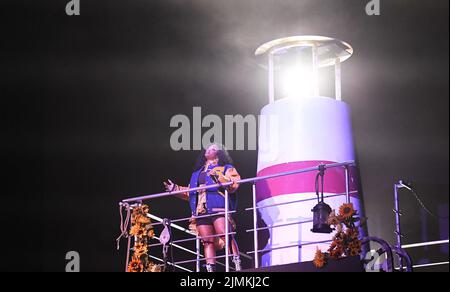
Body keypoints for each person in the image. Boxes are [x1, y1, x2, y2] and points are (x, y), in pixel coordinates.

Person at [163, 143, 242, 272]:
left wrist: (219, 177)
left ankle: (237, 263)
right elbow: (191, 192)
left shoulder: (226, 168)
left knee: (225, 234)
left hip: (217, 207)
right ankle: (211, 269)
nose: (208, 150)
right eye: (208, 148)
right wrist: (175, 189)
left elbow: (234, 185)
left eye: (213, 148)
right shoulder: (197, 173)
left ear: (219, 153)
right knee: (207, 241)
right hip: (201, 210)